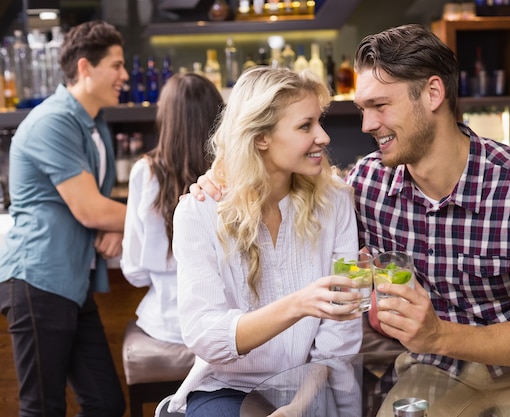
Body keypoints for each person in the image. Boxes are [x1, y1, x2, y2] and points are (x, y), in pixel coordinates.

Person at [193, 24, 510, 416]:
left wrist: (438, 335)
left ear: (433, 93)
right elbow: (285, 186)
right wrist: (222, 177)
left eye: (380, 106)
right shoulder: (367, 184)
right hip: (434, 369)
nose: (366, 125)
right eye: (364, 109)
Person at [168, 66, 363, 416]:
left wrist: (298, 407)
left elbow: (339, 337)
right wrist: (300, 303)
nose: (323, 137)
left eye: (320, 122)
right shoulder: (198, 213)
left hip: (311, 384)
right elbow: (207, 336)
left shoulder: (336, 203)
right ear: (261, 137)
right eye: (305, 126)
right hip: (229, 388)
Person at [0, 21, 128, 417]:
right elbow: (90, 209)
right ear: (87, 68)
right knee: (42, 408)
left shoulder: (94, 124)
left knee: (106, 404)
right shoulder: (53, 121)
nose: (125, 76)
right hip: (38, 280)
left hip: (70, 284)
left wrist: (116, 225)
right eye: (117, 65)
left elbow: (98, 208)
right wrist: (169, 216)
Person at [120, 72, 223, 344]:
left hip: (166, 322)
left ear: (165, 118)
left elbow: (134, 271)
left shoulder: (145, 172)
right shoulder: (231, 172)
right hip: (226, 325)